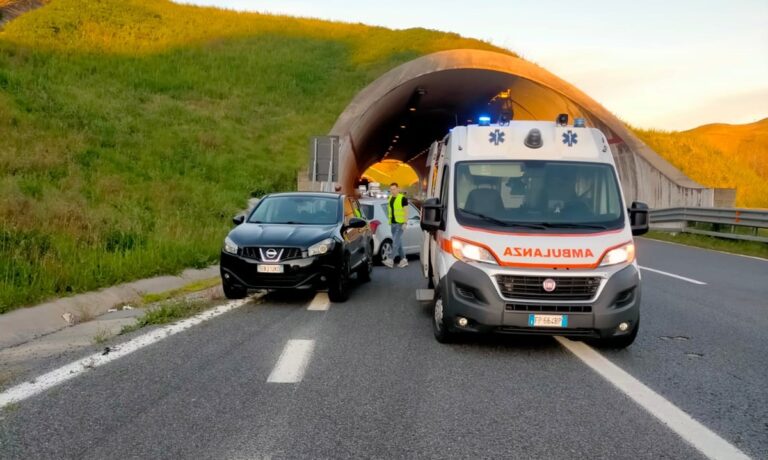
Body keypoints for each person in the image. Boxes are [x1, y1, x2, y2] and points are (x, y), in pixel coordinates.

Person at [384, 183, 408, 268]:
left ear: (398, 189)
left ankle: (390, 260)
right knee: (398, 242)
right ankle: (404, 259)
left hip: (400, 224)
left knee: (395, 242)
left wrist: (405, 222)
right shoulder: (390, 198)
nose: (392, 191)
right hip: (393, 224)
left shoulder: (403, 199)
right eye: (391, 189)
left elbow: (406, 212)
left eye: (394, 189)